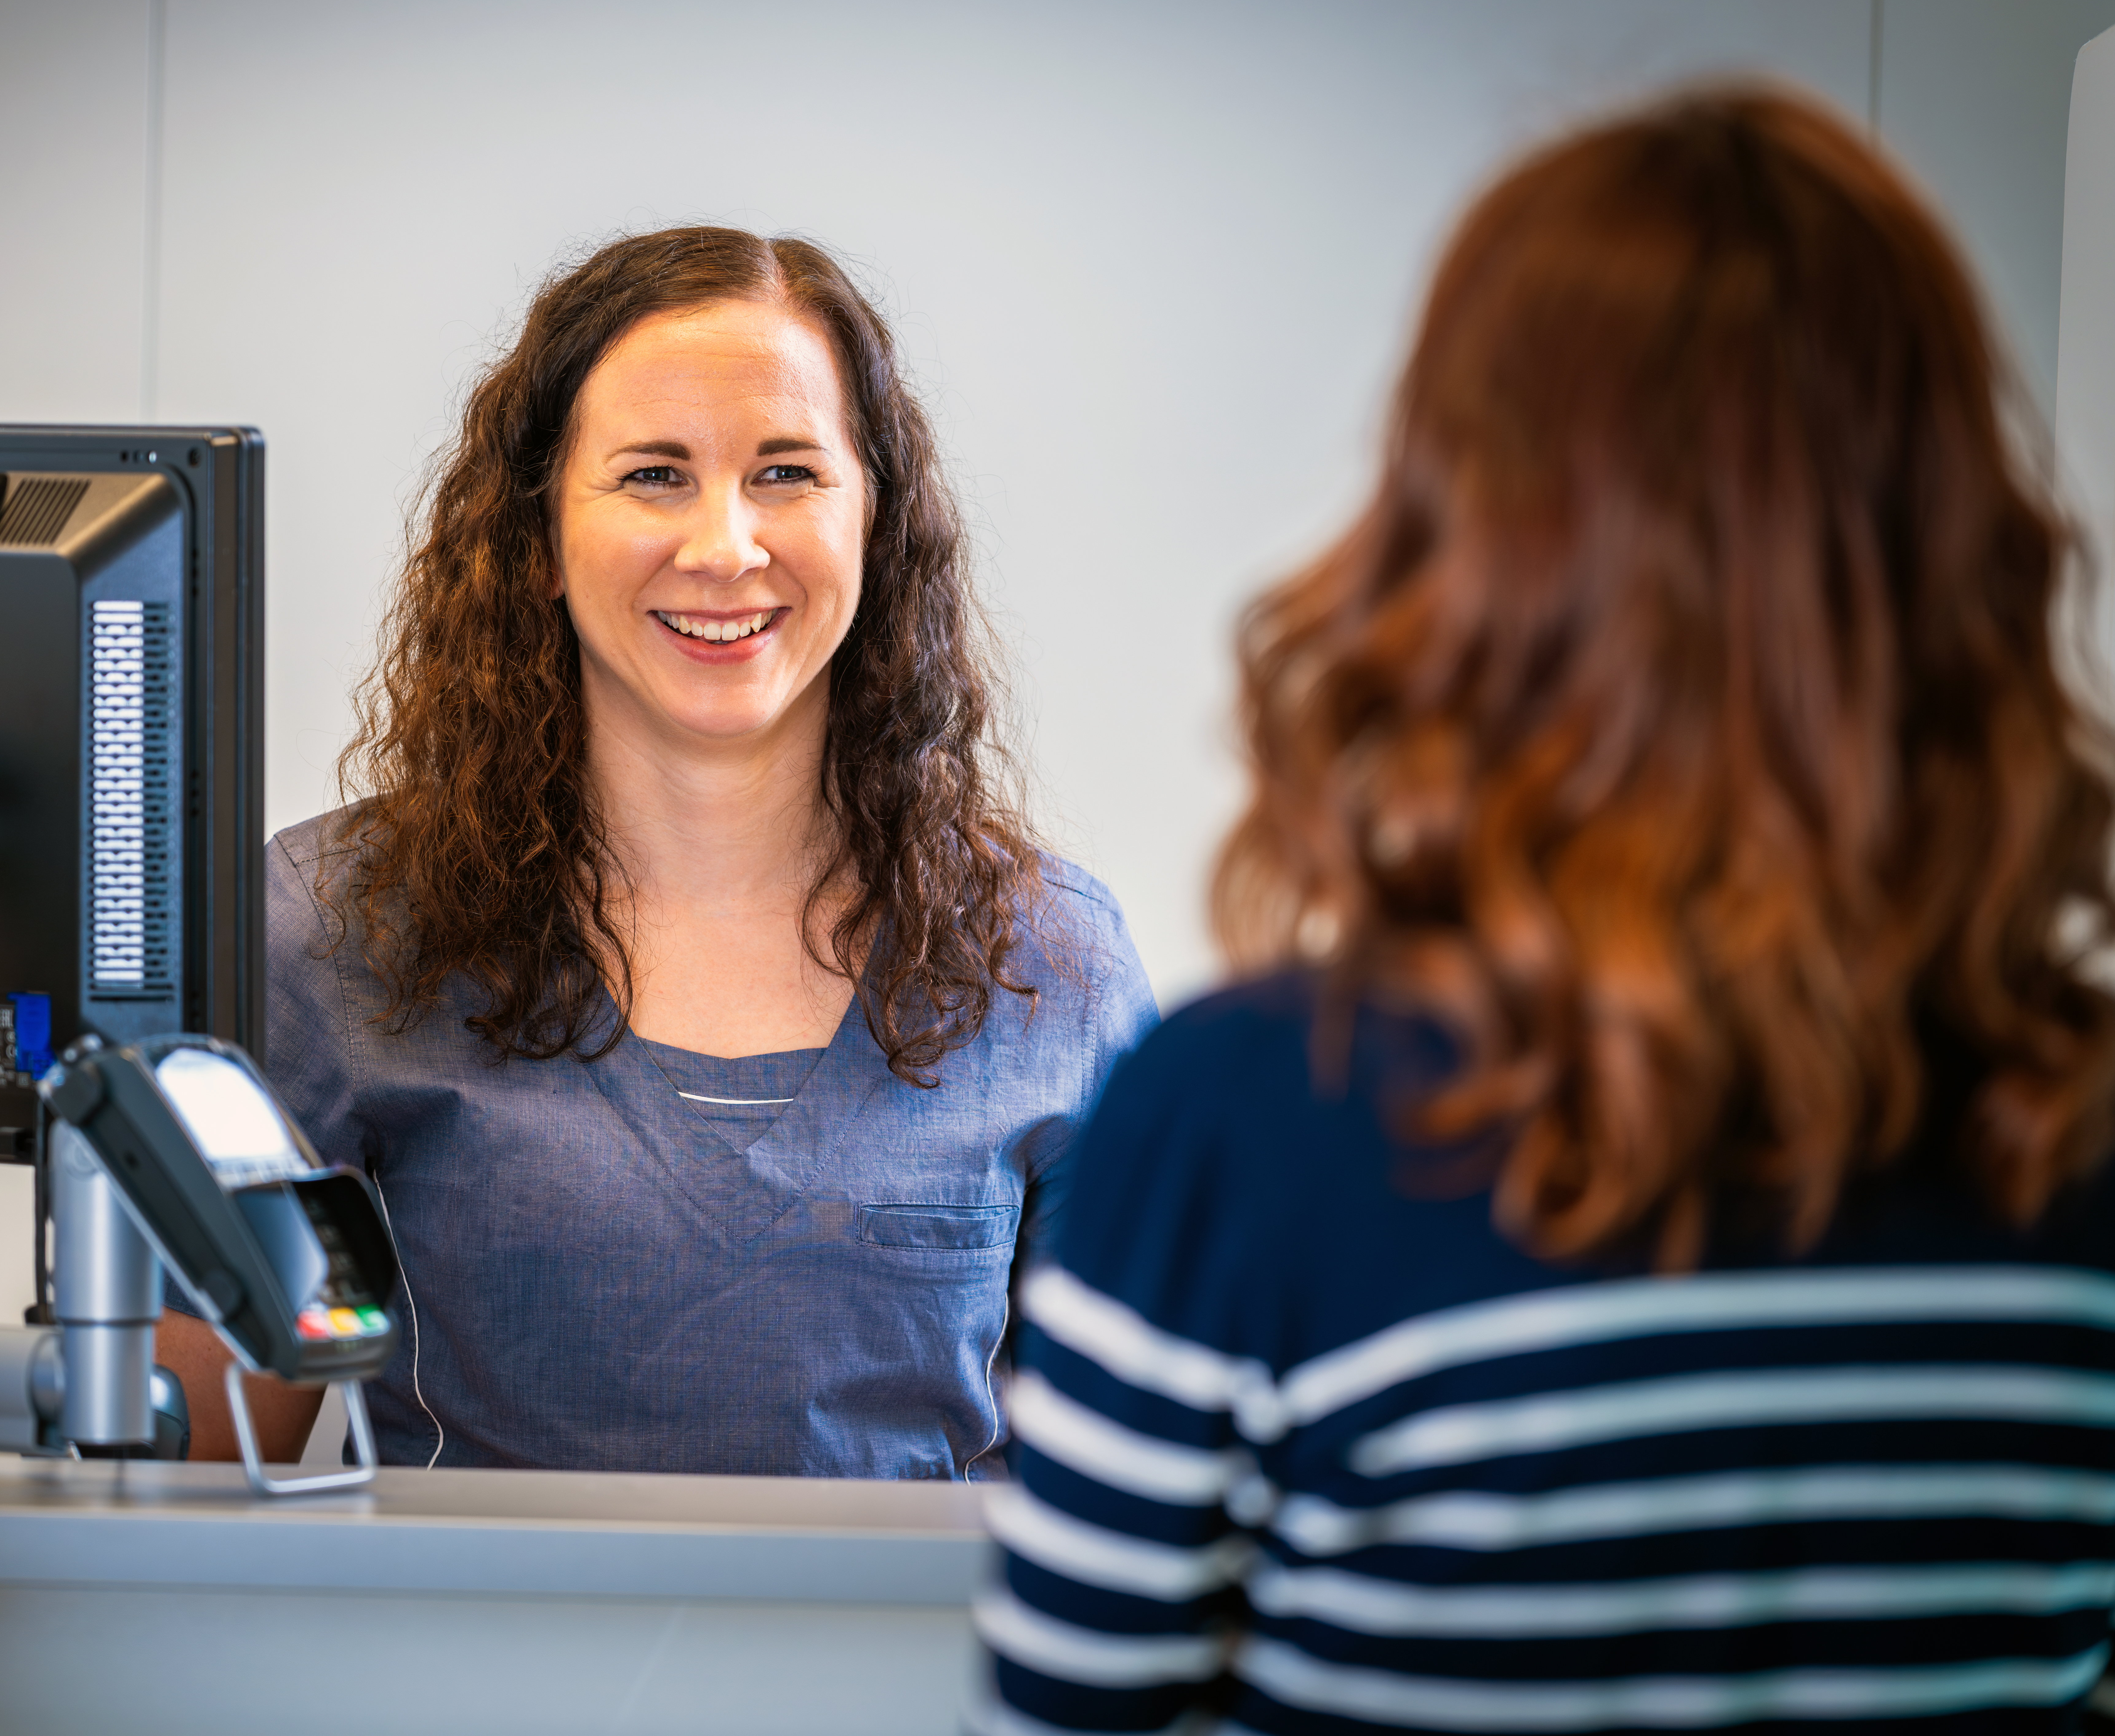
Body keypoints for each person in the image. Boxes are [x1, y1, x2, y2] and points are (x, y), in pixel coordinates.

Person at [974, 87, 2115, 1734]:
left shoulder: (1235, 1119)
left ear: (1462, 528)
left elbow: (1064, 1718)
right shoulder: (2074, 1124)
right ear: (1954, 535)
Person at [164, 225, 1155, 1476]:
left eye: (787, 472)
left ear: (876, 519)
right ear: (537, 534)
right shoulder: (329, 939)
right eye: (653, 475)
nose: (725, 548)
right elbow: (192, 1481)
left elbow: (1124, 1487)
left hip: (912, 1677)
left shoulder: (1052, 965)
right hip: (467, 1673)